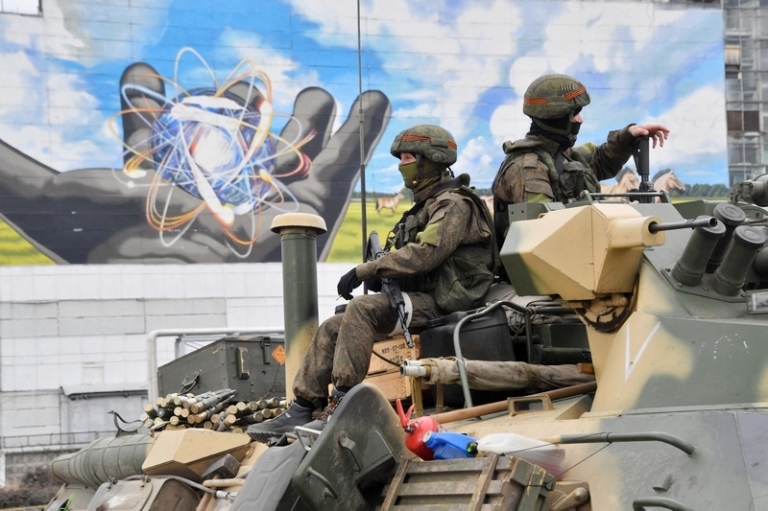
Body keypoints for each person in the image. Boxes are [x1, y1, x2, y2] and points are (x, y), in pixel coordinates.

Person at [247, 124, 499, 442]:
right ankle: (302, 407)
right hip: (421, 297)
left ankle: (342, 405)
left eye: (408, 158)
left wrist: (367, 270)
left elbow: (426, 253)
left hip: (446, 300)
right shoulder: (427, 205)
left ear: (431, 160)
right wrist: (384, 275)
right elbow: (412, 258)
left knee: (362, 308)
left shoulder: (454, 205)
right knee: (333, 326)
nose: (401, 166)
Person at [491, 73, 670, 245]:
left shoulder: (564, 155)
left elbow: (600, 160)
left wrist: (627, 137)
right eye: (575, 113)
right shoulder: (529, 170)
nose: (580, 120)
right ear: (558, 117)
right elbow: (541, 240)